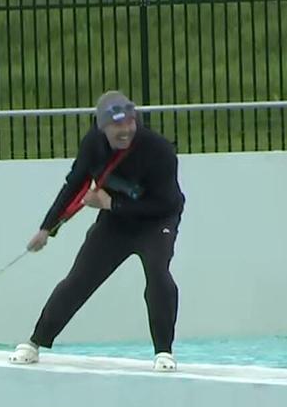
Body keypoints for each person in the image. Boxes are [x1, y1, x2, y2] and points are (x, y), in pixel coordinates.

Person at [10, 90, 186, 372]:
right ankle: (35, 342)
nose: (125, 130)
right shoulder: (93, 145)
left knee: (159, 274)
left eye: (129, 123)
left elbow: (166, 203)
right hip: (116, 224)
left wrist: (110, 203)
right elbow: (74, 184)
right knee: (79, 279)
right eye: (117, 125)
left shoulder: (159, 150)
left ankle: (164, 352)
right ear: (102, 126)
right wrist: (46, 228)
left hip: (157, 222)